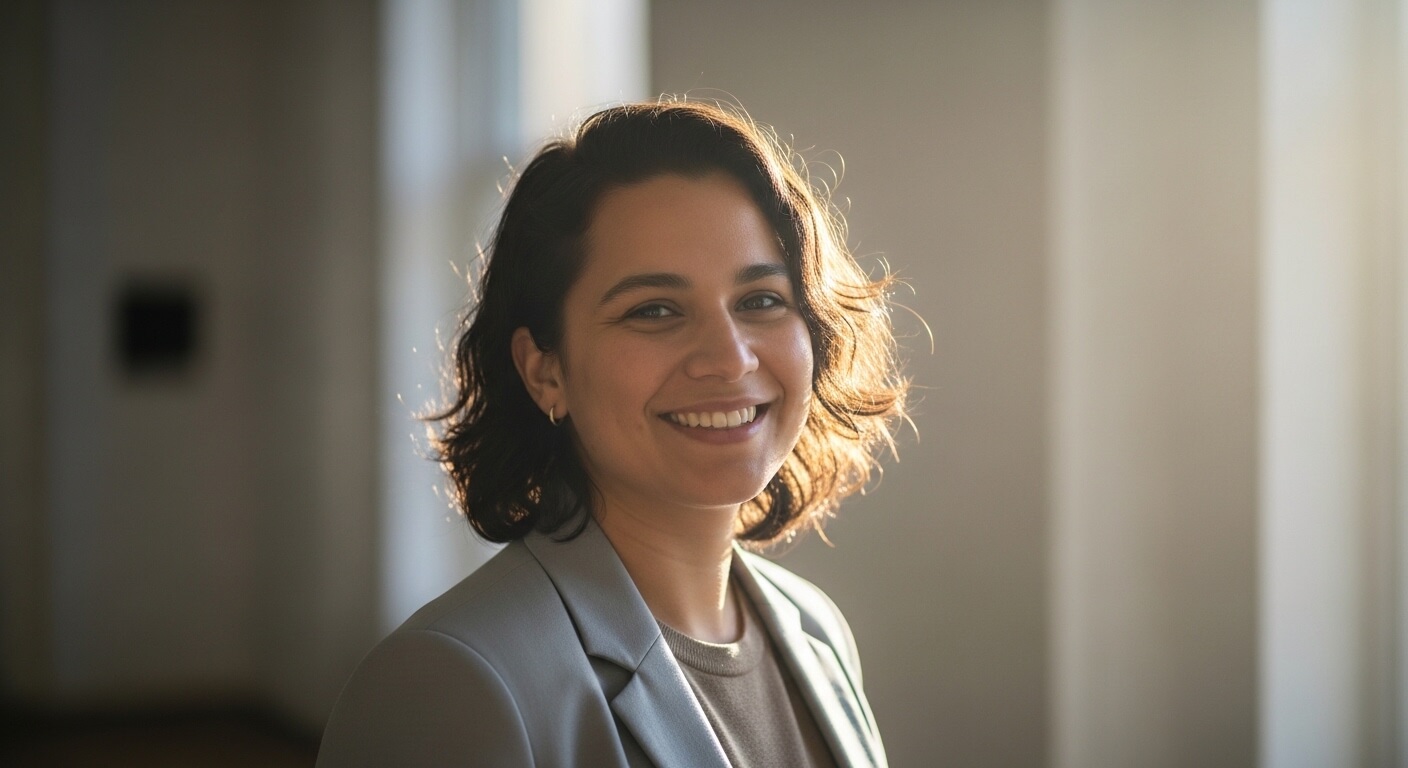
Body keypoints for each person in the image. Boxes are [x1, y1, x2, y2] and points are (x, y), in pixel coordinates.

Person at [316, 100, 908, 768]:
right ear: (545, 372)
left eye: (760, 300)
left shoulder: (817, 630)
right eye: (654, 310)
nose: (730, 357)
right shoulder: (448, 683)